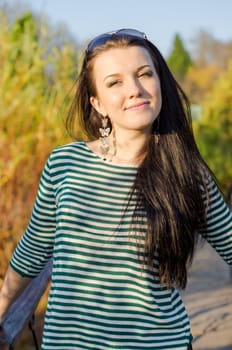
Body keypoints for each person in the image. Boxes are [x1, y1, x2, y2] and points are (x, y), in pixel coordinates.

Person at [0, 28, 231, 350]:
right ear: (98, 104)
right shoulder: (65, 163)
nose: (135, 89)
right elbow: (33, 249)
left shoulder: (187, 175)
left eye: (144, 74)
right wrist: (2, 309)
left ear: (160, 84)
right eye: (115, 82)